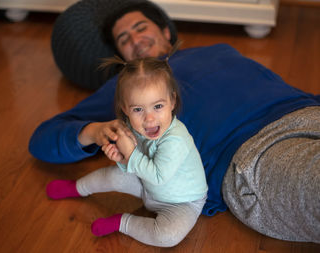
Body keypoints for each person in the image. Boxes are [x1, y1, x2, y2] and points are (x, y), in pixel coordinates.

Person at [29, 2, 320, 243]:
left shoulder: (217, 49)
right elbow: (42, 139)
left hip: (305, 110)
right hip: (254, 150)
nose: (135, 39)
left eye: (141, 28)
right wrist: (94, 131)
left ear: (166, 32)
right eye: (124, 39)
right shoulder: (122, 91)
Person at [46, 54, 208, 247]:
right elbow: (133, 164)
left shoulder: (176, 139)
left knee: (168, 237)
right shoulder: (131, 129)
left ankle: (122, 223)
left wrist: (129, 154)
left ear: (172, 102)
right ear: (125, 109)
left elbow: (157, 176)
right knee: (112, 176)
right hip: (147, 187)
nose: (149, 119)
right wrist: (121, 159)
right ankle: (77, 188)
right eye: (138, 109)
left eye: (157, 106)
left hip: (182, 202)